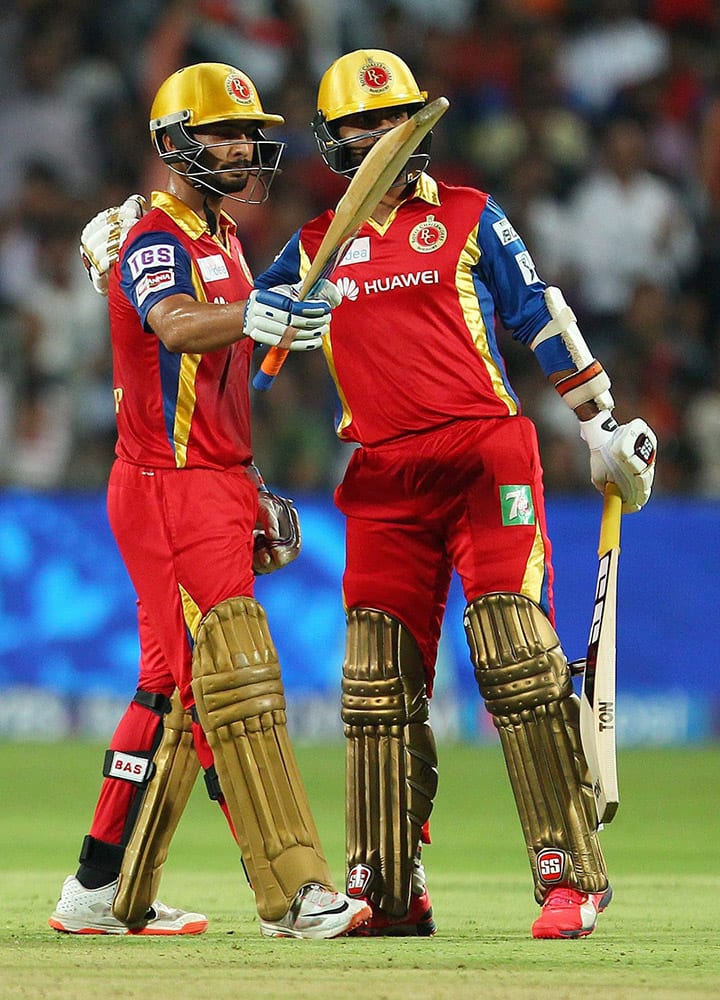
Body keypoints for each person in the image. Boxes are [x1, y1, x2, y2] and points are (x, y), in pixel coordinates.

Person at [77, 50, 657, 942]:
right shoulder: (309, 249)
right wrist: (116, 261)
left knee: (515, 659)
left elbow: (537, 310)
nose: (387, 137)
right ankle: (386, 889)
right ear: (335, 141)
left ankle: (566, 875)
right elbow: (223, 347)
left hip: (484, 461)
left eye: (401, 120)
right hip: (384, 478)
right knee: (376, 687)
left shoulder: (467, 215)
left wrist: (598, 420)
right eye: (366, 123)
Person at [48, 61, 370, 940]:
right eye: (220, 134)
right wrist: (257, 316)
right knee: (234, 686)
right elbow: (178, 326)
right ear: (171, 147)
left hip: (213, 481)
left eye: (245, 134)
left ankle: (97, 888)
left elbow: (218, 387)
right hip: (166, 488)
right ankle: (294, 893)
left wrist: (251, 485)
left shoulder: (223, 236)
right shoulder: (156, 238)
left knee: (171, 691)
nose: (239, 148)